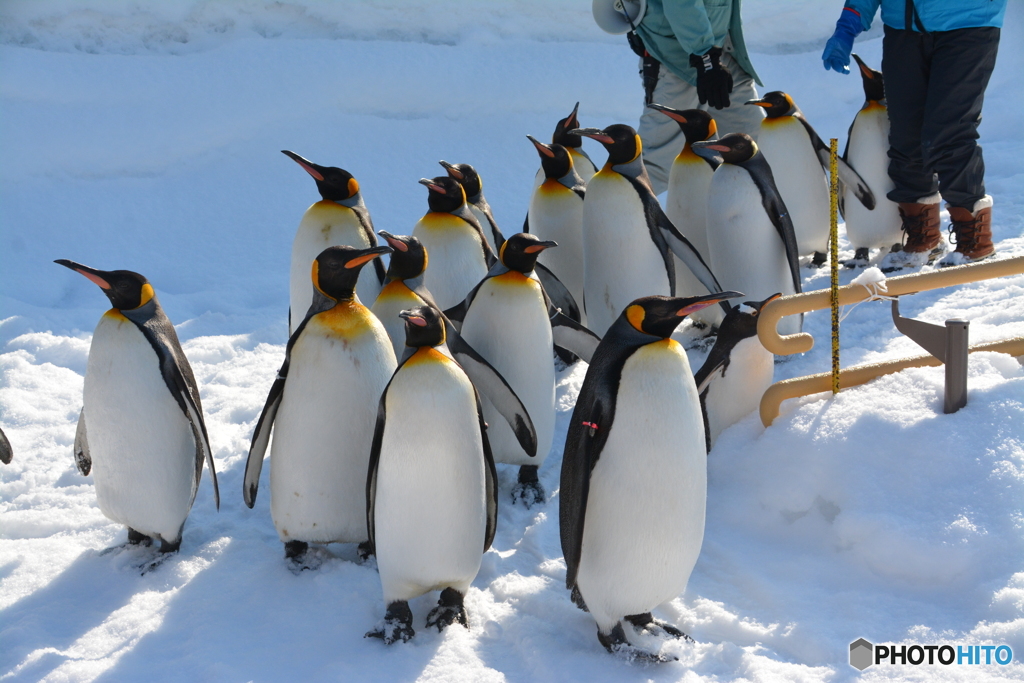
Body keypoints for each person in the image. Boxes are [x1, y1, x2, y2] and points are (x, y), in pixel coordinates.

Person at [822, 0, 1006, 270]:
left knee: (949, 132)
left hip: (968, 23)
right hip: (903, 29)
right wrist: (847, 27)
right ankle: (923, 238)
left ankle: (975, 241)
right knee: (906, 135)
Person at [630, 0, 765, 195]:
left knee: (750, 148)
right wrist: (705, 57)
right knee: (655, 166)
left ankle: (746, 220)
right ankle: (593, 220)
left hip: (721, 53)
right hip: (678, 60)